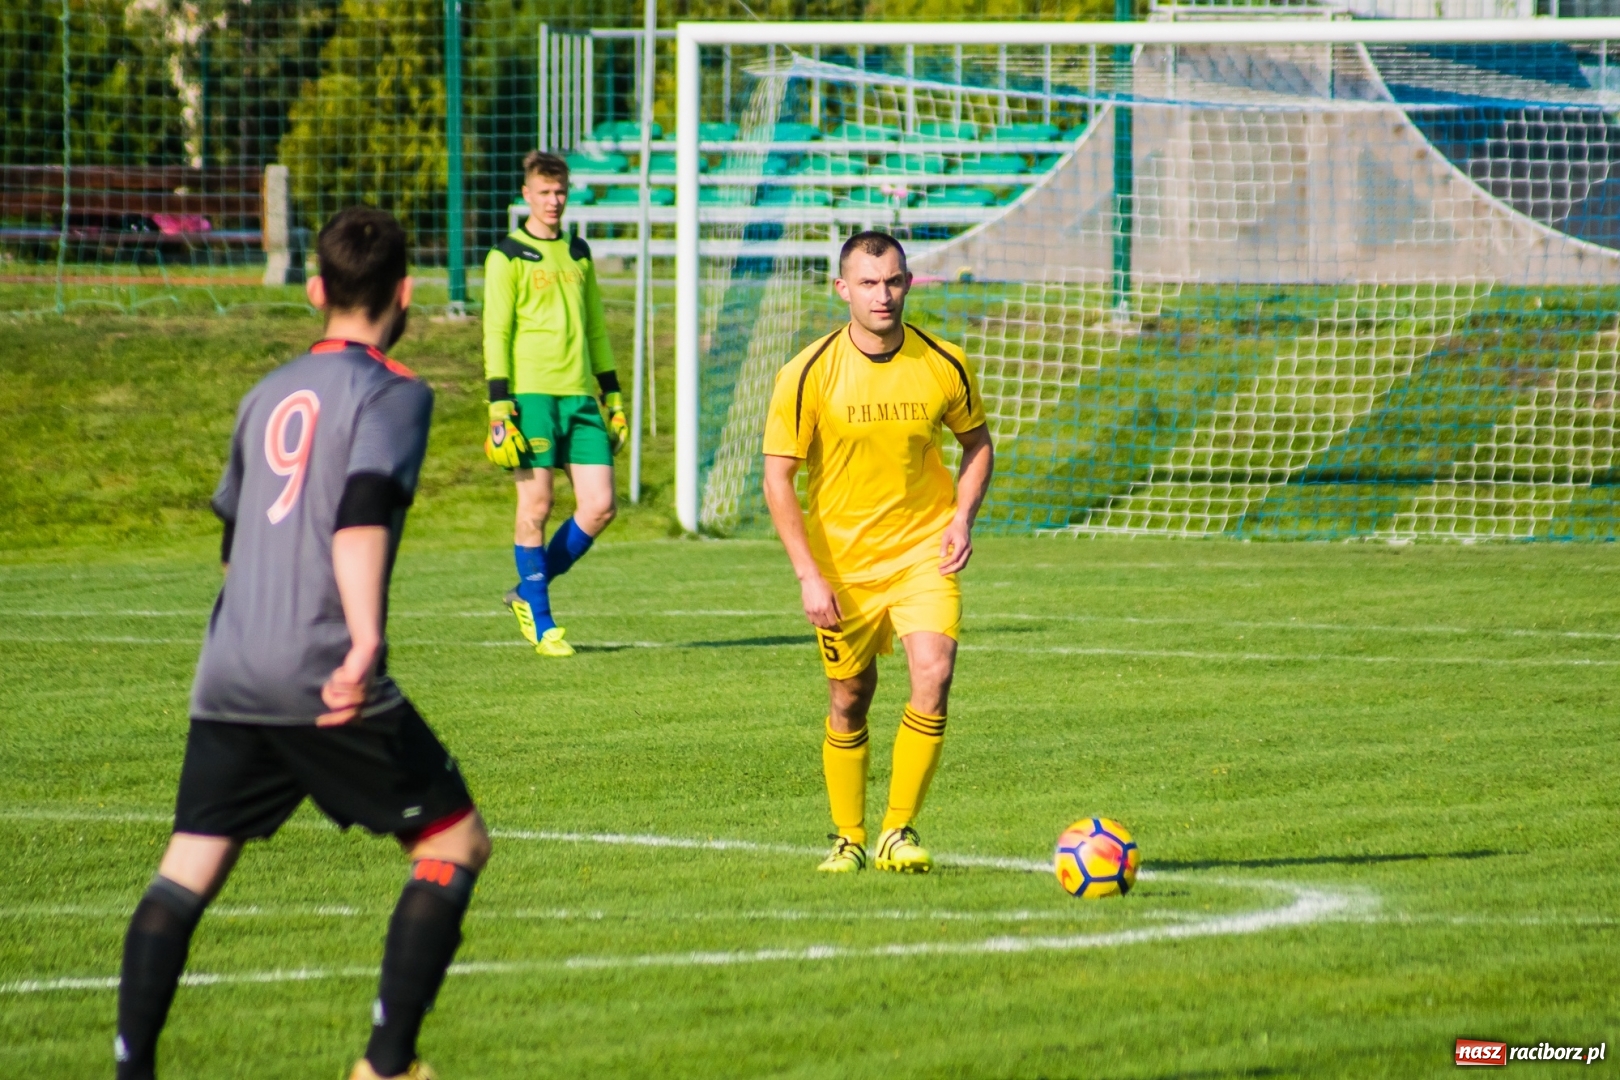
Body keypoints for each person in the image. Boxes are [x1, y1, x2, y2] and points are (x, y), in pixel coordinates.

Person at [114, 206, 491, 1080]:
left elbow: (235, 539)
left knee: (189, 867)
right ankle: (387, 1065)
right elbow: (361, 513)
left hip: (231, 665)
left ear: (316, 290)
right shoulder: (393, 391)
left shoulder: (263, 392)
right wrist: (362, 644)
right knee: (452, 845)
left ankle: (132, 1070)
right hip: (321, 668)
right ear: (407, 293)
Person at [762, 231, 995, 875]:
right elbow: (777, 477)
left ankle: (897, 831)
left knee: (935, 672)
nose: (882, 295)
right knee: (850, 695)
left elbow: (978, 444)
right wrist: (808, 574)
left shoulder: (944, 363)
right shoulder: (806, 373)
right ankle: (849, 836)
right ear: (843, 290)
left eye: (893, 280)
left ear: (909, 283)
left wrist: (961, 518)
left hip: (923, 553)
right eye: (868, 283)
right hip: (842, 564)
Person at [483, 149, 626, 658]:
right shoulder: (506, 255)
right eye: (543, 192)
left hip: (580, 395)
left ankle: (527, 589)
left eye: (560, 192)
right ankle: (542, 625)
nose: (553, 201)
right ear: (526, 194)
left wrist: (612, 394)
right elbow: (496, 331)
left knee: (601, 505)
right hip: (530, 396)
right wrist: (499, 406)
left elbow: (595, 328)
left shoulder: (578, 252)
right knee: (537, 504)